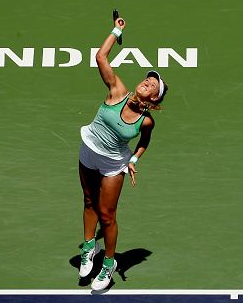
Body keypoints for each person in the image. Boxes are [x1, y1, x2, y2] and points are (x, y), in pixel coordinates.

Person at [77, 16, 168, 291]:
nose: (146, 82)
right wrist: (117, 31)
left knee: (107, 216)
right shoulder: (117, 90)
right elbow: (101, 56)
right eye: (147, 79)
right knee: (89, 202)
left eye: (153, 85)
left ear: (154, 99)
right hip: (88, 150)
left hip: (113, 163)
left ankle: (108, 264)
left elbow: (145, 142)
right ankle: (89, 247)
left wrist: (134, 159)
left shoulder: (146, 122)